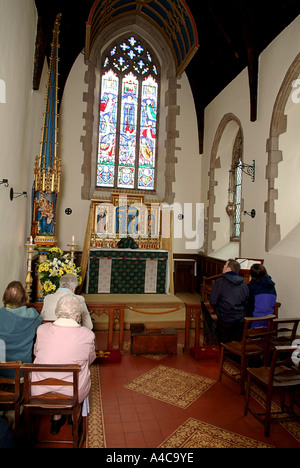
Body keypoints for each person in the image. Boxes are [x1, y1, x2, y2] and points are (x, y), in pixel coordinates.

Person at [32, 294, 96, 435]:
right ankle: (75, 418)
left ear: (57, 312)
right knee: (83, 372)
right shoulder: (87, 335)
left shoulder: (42, 330)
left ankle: (56, 419)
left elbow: (36, 353)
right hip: (71, 393)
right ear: (78, 316)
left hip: (40, 390)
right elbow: (91, 359)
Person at [0, 281, 42, 378]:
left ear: (5, 297)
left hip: (1, 370)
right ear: (25, 297)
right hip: (23, 370)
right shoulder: (33, 316)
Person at [209, 259, 249, 344]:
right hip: (239, 320)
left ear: (228, 269)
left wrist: (219, 312)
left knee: (224, 344)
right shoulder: (244, 284)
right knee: (237, 345)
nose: (223, 267)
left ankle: (223, 356)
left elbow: (213, 301)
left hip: (224, 319)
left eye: (224, 266)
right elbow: (246, 302)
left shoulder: (220, 282)